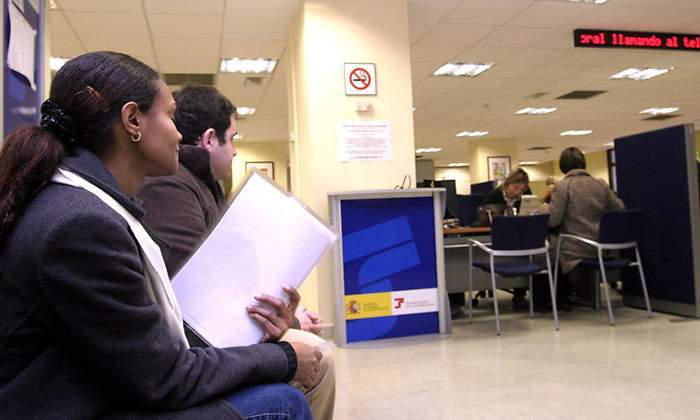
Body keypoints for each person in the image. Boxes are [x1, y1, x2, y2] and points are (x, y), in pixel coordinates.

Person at [0, 51, 319, 419]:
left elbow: (147, 346)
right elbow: (164, 378)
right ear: (133, 120)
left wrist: (266, 340)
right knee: (282, 403)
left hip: (99, 390)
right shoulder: (80, 225)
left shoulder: (84, 205)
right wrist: (283, 356)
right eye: (169, 115)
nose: (179, 133)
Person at [137, 85, 334, 419]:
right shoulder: (171, 185)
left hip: (205, 343)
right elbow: (202, 298)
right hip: (194, 349)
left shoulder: (199, 185)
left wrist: (284, 316)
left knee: (315, 352)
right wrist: (284, 324)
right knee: (318, 357)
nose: (236, 151)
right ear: (210, 139)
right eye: (233, 138)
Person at [534, 147, 625, 310]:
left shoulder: (563, 187)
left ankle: (550, 300)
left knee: (544, 251)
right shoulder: (601, 184)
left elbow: (553, 220)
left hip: (574, 248)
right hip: (600, 246)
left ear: (563, 166)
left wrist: (544, 211)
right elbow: (620, 210)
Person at [481, 168, 532, 309]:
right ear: (508, 184)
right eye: (515, 188)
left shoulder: (526, 194)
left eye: (521, 189)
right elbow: (486, 220)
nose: (518, 192)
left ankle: (520, 294)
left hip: (519, 235)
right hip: (499, 236)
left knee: (525, 254)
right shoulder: (494, 196)